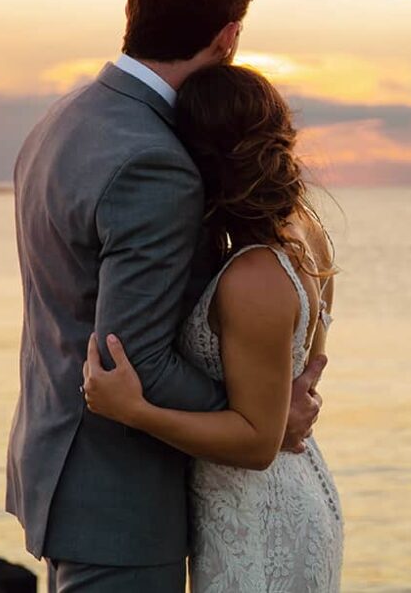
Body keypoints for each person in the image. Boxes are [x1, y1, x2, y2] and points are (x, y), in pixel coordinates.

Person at [6, 0, 326, 592]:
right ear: (228, 37)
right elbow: (135, 360)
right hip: (121, 492)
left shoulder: (60, 121)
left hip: (55, 466)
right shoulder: (154, 161)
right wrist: (260, 414)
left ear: (137, 11)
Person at [83, 64, 344, 592]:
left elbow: (256, 443)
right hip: (291, 495)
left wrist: (136, 410)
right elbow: (305, 371)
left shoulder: (252, 277)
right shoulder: (306, 231)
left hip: (257, 523)